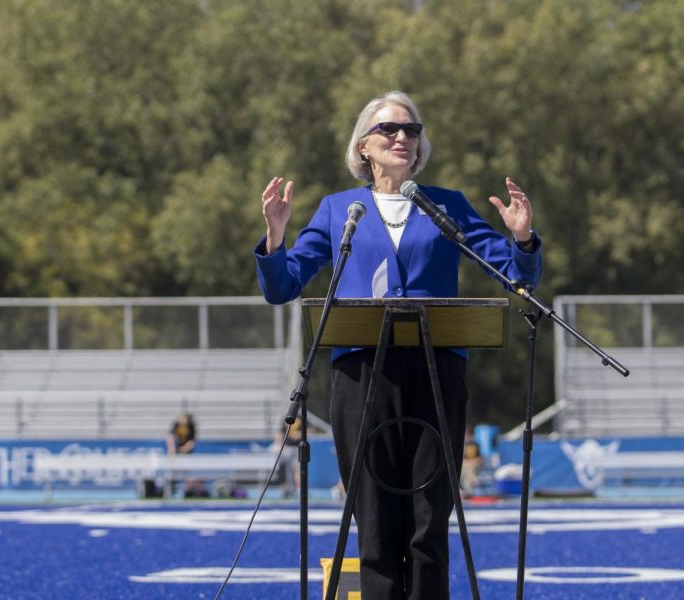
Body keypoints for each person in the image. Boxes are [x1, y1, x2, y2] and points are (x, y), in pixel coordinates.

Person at [254, 90, 542, 599]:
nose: (403, 138)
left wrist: (521, 241)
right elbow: (283, 287)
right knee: (375, 522)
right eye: (389, 129)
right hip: (362, 377)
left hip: (436, 372)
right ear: (363, 145)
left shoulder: (446, 205)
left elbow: (514, 277)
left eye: (411, 130)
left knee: (429, 522)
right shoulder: (338, 209)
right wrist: (276, 240)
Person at [166, 413, 208, 498]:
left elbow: (192, 443)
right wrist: (172, 451)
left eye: (183, 419)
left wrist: (183, 450)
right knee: (173, 472)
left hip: (187, 452)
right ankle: (171, 490)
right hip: (176, 452)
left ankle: (187, 491)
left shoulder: (191, 426)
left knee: (186, 473)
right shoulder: (176, 425)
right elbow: (170, 437)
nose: (181, 421)